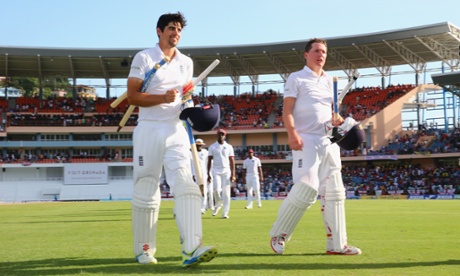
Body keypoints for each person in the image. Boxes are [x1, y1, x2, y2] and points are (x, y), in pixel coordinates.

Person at [126, 12, 217, 267]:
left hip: (177, 129)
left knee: (186, 185)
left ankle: (191, 248)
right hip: (149, 128)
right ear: (158, 31)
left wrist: (193, 110)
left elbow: (187, 96)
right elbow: (133, 96)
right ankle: (144, 250)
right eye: (170, 28)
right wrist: (161, 98)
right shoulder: (144, 57)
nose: (175, 33)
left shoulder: (186, 62)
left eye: (178, 29)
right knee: (146, 188)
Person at [269, 38, 362, 255]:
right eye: (316, 51)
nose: (321, 55)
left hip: (328, 140)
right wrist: (292, 133)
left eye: (324, 52)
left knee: (335, 192)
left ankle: (337, 245)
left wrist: (336, 119)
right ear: (306, 54)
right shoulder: (296, 78)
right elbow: (287, 111)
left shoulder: (330, 80)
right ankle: (279, 235)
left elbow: (329, 114)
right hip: (306, 139)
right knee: (307, 190)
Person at [207, 129, 236, 219]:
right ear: (217, 136)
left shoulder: (229, 147)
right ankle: (218, 204)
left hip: (226, 171)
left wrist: (233, 174)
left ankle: (225, 213)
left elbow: (232, 161)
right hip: (215, 170)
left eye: (222, 134)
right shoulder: (212, 147)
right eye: (219, 134)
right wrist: (208, 174)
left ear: (225, 136)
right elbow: (209, 161)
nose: (220, 136)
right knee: (216, 190)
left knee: (226, 193)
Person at [191, 138, 210, 214]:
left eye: (200, 145)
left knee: (204, 190)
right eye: (197, 145)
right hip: (195, 174)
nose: (199, 146)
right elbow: (191, 165)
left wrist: (209, 174)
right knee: (196, 191)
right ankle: (197, 207)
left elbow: (208, 163)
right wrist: (192, 174)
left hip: (204, 173)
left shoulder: (206, 152)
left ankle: (203, 207)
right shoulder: (192, 153)